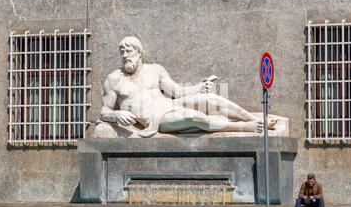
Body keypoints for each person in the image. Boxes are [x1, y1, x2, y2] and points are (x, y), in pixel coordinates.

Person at [100, 36, 278, 137]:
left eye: (129, 51)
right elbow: (104, 111)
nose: (125, 55)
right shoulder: (114, 79)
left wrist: (198, 88)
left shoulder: (155, 70)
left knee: (211, 99)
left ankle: (256, 119)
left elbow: (177, 92)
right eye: (122, 52)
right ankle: (245, 127)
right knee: (193, 117)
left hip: (170, 105)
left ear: (140, 53)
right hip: (155, 120)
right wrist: (116, 114)